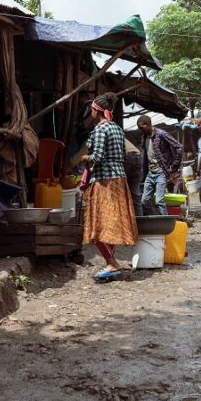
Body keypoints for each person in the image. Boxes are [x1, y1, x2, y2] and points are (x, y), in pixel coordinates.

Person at [79, 93, 138, 276]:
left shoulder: (100, 130)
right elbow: (123, 155)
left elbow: (97, 157)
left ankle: (112, 263)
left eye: (92, 110)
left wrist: (85, 158)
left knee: (97, 224)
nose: (91, 113)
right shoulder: (118, 129)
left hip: (104, 180)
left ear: (97, 110)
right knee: (112, 222)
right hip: (120, 179)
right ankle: (111, 262)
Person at [136, 115, 183, 215]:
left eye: (141, 127)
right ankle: (153, 220)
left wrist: (174, 165)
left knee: (159, 201)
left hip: (161, 172)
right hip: (150, 173)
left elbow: (178, 147)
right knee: (144, 200)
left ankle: (166, 224)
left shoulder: (161, 134)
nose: (140, 130)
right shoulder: (143, 137)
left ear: (148, 124)